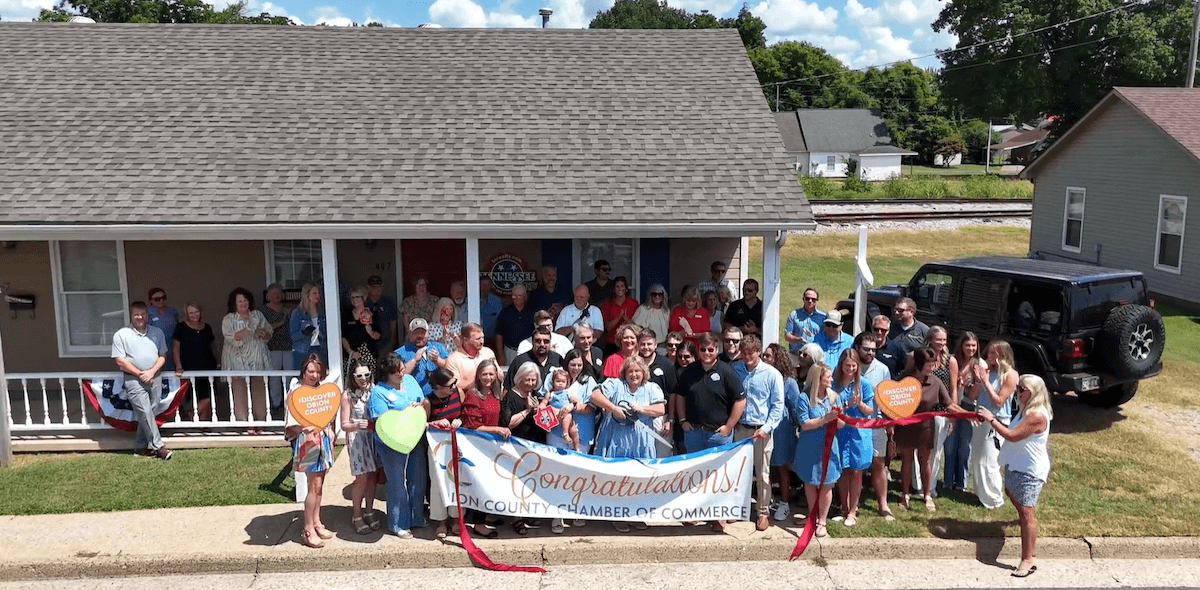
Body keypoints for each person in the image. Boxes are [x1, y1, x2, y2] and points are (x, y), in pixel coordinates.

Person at [977, 374, 1052, 578]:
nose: (1017, 391)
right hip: (1016, 466)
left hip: (1029, 471)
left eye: (1022, 389)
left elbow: (1011, 435)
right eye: (1017, 387)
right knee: (1015, 498)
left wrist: (990, 418)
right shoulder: (1026, 409)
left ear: (1033, 392)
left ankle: (1027, 560)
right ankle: (1026, 536)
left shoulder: (1036, 415)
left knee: (1026, 513)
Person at [590, 356, 667, 532]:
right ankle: (618, 515)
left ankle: (636, 514)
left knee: (639, 478)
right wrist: (614, 408)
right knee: (617, 477)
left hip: (640, 441)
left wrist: (642, 409)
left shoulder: (651, 388)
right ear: (624, 372)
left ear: (643, 373)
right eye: (630, 371)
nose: (634, 374)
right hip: (615, 439)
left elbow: (661, 409)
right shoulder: (615, 384)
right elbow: (594, 395)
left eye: (637, 371)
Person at [895, 347, 963, 513]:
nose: (932, 369)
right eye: (929, 366)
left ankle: (927, 495)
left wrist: (968, 415)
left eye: (933, 365)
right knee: (907, 460)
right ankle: (904, 494)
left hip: (926, 427)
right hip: (905, 427)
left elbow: (949, 405)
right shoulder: (904, 378)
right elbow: (892, 401)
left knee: (925, 461)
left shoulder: (935, 381)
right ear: (918, 365)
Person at [369, 352, 428, 538]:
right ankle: (397, 523)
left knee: (417, 478)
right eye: (396, 372)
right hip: (392, 443)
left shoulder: (410, 381)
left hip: (415, 437)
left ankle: (415, 517)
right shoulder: (378, 392)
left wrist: (419, 410)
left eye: (402, 369)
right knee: (397, 482)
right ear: (386, 374)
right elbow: (380, 420)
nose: (401, 374)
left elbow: (423, 401)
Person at [734, 335, 785, 531]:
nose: (747, 357)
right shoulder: (736, 370)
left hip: (761, 430)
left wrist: (766, 428)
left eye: (751, 353)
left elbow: (777, 405)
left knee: (762, 474)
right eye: (744, 353)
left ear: (758, 352)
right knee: (739, 472)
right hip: (740, 428)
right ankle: (739, 509)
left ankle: (763, 512)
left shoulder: (772, 374)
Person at [286, 354, 337, 548]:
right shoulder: (295, 392)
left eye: (318, 371)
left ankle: (316, 522)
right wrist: (300, 428)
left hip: (322, 438)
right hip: (307, 441)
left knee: (320, 483)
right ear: (303, 371)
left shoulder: (322, 391)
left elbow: (328, 416)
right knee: (313, 484)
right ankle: (307, 528)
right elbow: (290, 422)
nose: (314, 375)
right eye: (310, 371)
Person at [112, 301, 172, 460]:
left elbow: (162, 356)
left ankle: (140, 447)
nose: (140, 317)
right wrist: (140, 374)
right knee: (145, 412)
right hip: (133, 379)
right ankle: (158, 447)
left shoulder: (157, 332)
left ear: (147, 315)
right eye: (136, 314)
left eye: (143, 314)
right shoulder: (121, 334)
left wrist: (151, 372)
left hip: (154, 377)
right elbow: (120, 361)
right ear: (131, 315)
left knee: (149, 413)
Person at [459, 359, 508, 538]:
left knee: (490, 482)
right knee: (481, 483)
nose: (488, 378)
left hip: (492, 446)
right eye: (484, 374)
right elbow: (472, 426)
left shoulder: (495, 394)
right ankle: (479, 523)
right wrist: (497, 429)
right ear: (478, 376)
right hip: (478, 446)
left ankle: (485, 515)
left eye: (491, 374)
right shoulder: (473, 395)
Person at [791, 362, 841, 538]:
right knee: (810, 482)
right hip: (809, 447)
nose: (831, 379)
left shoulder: (834, 397)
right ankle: (812, 517)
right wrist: (825, 419)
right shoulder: (804, 398)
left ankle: (822, 521)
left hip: (828, 447)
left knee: (826, 484)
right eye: (828, 377)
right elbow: (804, 424)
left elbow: (841, 425)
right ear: (818, 379)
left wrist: (839, 417)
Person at [969, 339, 1019, 510]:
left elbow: (997, 401)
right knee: (977, 457)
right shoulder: (987, 372)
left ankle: (994, 499)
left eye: (992, 353)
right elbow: (972, 396)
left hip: (996, 421)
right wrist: (978, 380)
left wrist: (987, 382)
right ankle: (980, 494)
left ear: (1002, 356)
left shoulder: (1010, 375)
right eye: (988, 353)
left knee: (989, 460)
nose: (988, 356)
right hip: (980, 418)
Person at [851, 332, 894, 522]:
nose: (870, 353)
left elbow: (888, 398)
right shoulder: (849, 366)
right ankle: (854, 504)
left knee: (879, 464)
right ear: (857, 348)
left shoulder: (883, 369)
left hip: (876, 423)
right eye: (866, 349)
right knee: (855, 467)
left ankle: (883, 505)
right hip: (853, 424)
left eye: (874, 350)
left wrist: (889, 422)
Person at [502, 361, 548, 535]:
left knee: (529, 481)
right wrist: (528, 411)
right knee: (517, 482)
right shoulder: (512, 397)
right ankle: (517, 518)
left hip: (533, 445)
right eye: (527, 380)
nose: (530, 384)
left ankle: (527, 513)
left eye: (533, 380)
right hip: (516, 446)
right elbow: (508, 423)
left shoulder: (533, 396)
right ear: (519, 378)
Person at [833, 348, 874, 528]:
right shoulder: (834, 384)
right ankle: (843, 507)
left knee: (856, 471)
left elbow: (870, 410)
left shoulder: (863, 384)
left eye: (853, 365)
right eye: (847, 365)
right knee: (843, 469)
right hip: (840, 432)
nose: (850, 368)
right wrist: (846, 404)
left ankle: (853, 510)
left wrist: (859, 404)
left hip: (859, 433)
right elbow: (831, 408)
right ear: (841, 365)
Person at [339, 358, 380, 535]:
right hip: (357, 439)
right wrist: (357, 425)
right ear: (353, 376)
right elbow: (344, 424)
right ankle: (356, 515)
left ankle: (369, 511)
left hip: (373, 437)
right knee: (361, 478)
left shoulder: (374, 390)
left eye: (367, 374)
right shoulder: (347, 395)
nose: (364, 378)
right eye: (359, 375)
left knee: (372, 477)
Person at [423, 368, 465, 540]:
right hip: (437, 446)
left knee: (457, 481)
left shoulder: (458, 393)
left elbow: (464, 414)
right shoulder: (428, 401)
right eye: (450, 385)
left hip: (456, 443)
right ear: (439, 386)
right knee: (438, 482)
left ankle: (456, 518)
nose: (455, 386)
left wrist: (460, 420)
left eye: (455, 382)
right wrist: (434, 422)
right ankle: (441, 521)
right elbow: (422, 424)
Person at [221, 287, 272, 427]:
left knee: (259, 390)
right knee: (239, 392)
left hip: (257, 359)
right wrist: (249, 328)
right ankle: (245, 423)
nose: (244, 303)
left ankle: (260, 423)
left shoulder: (257, 315)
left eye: (245, 300)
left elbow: (269, 333)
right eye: (240, 301)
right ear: (234, 304)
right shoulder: (229, 319)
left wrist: (264, 334)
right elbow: (234, 337)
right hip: (237, 361)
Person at [764, 343, 801, 522]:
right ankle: (768, 499)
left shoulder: (789, 382)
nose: (765, 359)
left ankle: (784, 502)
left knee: (781, 467)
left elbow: (795, 408)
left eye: (768, 356)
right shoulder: (763, 376)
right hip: (764, 426)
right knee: (765, 467)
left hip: (782, 429)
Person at [946, 331, 985, 492]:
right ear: (961, 345)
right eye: (967, 345)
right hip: (955, 402)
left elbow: (974, 395)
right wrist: (954, 414)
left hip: (970, 405)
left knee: (965, 446)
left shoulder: (980, 364)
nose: (970, 348)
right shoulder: (954, 360)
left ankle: (961, 483)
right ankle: (948, 481)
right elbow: (953, 388)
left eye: (973, 345)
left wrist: (976, 380)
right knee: (950, 444)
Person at [172, 302, 218, 422]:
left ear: (200, 312)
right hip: (189, 367)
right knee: (196, 396)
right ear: (186, 314)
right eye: (191, 312)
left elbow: (212, 346)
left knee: (209, 396)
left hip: (208, 366)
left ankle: (196, 416)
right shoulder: (181, 327)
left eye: (196, 312)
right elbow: (176, 348)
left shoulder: (207, 327)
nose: (194, 315)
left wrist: (218, 362)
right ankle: (200, 422)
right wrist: (178, 366)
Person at [559, 350, 601, 454]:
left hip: (582, 434)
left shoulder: (589, 381)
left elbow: (591, 408)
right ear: (566, 363)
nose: (576, 368)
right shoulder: (557, 377)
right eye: (573, 365)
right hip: (557, 431)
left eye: (579, 365)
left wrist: (572, 406)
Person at [261, 283, 294, 415]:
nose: (276, 296)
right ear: (268, 296)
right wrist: (279, 323)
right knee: (274, 376)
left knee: (289, 376)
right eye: (273, 293)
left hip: (288, 347)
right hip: (272, 347)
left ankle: (290, 402)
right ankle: (276, 403)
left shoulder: (288, 309)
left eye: (279, 293)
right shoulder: (263, 311)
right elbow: (264, 328)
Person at [395, 318, 449, 395]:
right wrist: (414, 360)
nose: (419, 335)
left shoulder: (438, 347)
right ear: (409, 334)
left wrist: (437, 360)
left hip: (438, 395)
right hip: (414, 397)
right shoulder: (400, 352)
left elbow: (449, 367)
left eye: (422, 332)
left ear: (428, 333)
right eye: (416, 333)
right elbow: (396, 375)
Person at [503, 326, 564, 390]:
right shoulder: (520, 361)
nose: (542, 344)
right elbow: (507, 388)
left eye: (546, 341)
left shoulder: (558, 359)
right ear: (532, 342)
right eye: (538, 341)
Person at [540, 368, 581, 453]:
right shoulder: (551, 394)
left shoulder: (568, 393)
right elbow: (544, 402)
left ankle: (576, 447)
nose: (560, 384)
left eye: (563, 382)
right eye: (558, 381)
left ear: (567, 383)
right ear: (553, 382)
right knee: (567, 416)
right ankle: (565, 433)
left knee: (573, 429)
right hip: (555, 417)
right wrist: (541, 407)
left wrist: (572, 404)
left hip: (567, 418)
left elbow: (576, 401)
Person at [445, 323, 496, 389]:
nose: (482, 342)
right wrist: (479, 380)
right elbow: (456, 385)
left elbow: (499, 375)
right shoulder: (453, 360)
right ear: (466, 340)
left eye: (482, 338)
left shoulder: (488, 352)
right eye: (478, 339)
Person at [493, 284, 534, 365]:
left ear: (524, 296)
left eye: (519, 296)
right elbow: (499, 335)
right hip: (510, 351)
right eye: (514, 296)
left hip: (529, 351)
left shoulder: (532, 312)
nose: (517, 298)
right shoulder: (505, 312)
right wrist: (501, 355)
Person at [290, 283, 328, 367]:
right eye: (314, 293)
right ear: (307, 295)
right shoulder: (298, 313)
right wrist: (304, 333)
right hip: (303, 350)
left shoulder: (322, 312)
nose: (317, 295)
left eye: (318, 293)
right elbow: (293, 335)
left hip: (320, 349)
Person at [341, 286, 382, 364]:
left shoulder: (372, 314)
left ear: (363, 298)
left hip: (369, 354)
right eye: (352, 297)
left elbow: (378, 335)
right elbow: (342, 336)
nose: (354, 299)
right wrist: (350, 351)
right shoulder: (346, 315)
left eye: (357, 297)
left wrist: (371, 332)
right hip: (351, 354)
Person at [601, 276, 639, 353]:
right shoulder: (607, 304)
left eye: (622, 286)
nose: (620, 289)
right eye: (617, 286)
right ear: (614, 289)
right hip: (612, 342)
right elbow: (607, 327)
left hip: (630, 341)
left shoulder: (633, 303)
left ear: (626, 288)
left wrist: (627, 320)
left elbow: (637, 327)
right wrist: (619, 317)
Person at [146, 288, 179, 372]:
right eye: (157, 299)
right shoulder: (148, 312)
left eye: (163, 298)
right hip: (155, 348)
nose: (161, 301)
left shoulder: (172, 311)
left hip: (171, 346)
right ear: (151, 300)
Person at [784, 288, 825, 353]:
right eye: (807, 298)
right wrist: (798, 339)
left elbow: (826, 338)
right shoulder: (794, 314)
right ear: (803, 299)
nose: (810, 301)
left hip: (815, 355)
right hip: (796, 353)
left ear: (817, 300)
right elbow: (787, 336)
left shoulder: (822, 317)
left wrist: (814, 338)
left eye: (813, 299)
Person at [365, 275, 399, 354]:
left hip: (385, 344)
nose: (376, 289)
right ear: (368, 287)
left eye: (378, 286)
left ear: (382, 287)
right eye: (373, 286)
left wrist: (391, 344)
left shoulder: (388, 303)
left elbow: (393, 325)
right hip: (367, 345)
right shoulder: (364, 303)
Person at [632, 284, 670, 352]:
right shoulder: (643, 309)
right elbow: (634, 327)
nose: (657, 296)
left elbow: (668, 329)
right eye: (654, 294)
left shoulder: (666, 311)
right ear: (650, 295)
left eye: (660, 294)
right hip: (646, 346)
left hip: (662, 346)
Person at [399, 276, 439, 342]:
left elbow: (437, 319)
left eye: (423, 285)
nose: (421, 287)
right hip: (411, 335)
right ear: (414, 287)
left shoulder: (435, 301)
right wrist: (410, 333)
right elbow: (405, 320)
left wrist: (426, 333)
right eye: (418, 285)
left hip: (430, 335)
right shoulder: (408, 301)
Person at [872, 314, 906, 378]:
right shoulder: (864, 346)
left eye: (883, 330)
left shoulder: (896, 348)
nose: (879, 333)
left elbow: (904, 370)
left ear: (888, 331)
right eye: (876, 329)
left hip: (888, 386)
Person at [478, 276, 504, 342]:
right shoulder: (472, 300)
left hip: (493, 340)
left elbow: (501, 321)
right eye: (482, 285)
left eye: (487, 285)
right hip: (476, 339)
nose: (484, 287)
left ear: (491, 286)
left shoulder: (496, 301)